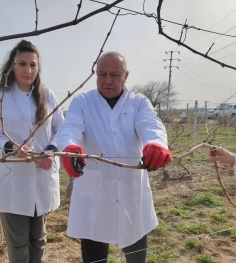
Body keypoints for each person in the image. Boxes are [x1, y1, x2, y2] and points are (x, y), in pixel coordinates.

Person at [56, 51, 172, 263]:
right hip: (95, 192)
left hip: (130, 190)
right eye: (102, 74)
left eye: (115, 74)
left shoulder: (138, 102)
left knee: (136, 253)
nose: (107, 80)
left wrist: (155, 143)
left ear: (126, 76)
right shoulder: (83, 102)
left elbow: (150, 124)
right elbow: (69, 127)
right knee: (94, 254)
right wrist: (69, 147)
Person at [0, 40, 64, 263]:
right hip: (11, 182)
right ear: (12, 66)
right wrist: (10, 147)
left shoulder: (48, 95)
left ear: (38, 67)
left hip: (42, 177)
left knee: (39, 242)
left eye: (33, 65)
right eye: (22, 64)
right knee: (18, 246)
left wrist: (52, 151)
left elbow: (61, 129)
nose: (28, 70)